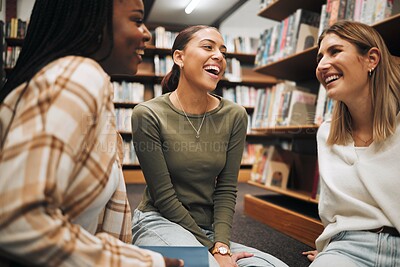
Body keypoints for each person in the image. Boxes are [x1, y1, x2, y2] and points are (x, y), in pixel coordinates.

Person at [0, 0, 183, 266]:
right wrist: (145, 263)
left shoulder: (86, 86)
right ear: (92, 22)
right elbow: (16, 219)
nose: (146, 33)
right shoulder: (78, 76)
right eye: (136, 20)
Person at [130, 25, 289, 267]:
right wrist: (212, 249)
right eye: (208, 47)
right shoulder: (148, 114)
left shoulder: (234, 115)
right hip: (159, 219)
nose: (219, 56)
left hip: (208, 228)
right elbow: (163, 197)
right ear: (179, 57)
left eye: (223, 52)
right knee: (208, 265)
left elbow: (226, 189)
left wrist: (222, 245)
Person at [304, 20, 400, 266]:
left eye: (335, 51)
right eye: (320, 57)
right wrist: (331, 251)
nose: (323, 65)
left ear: (372, 59)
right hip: (349, 247)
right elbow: (332, 212)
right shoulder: (327, 134)